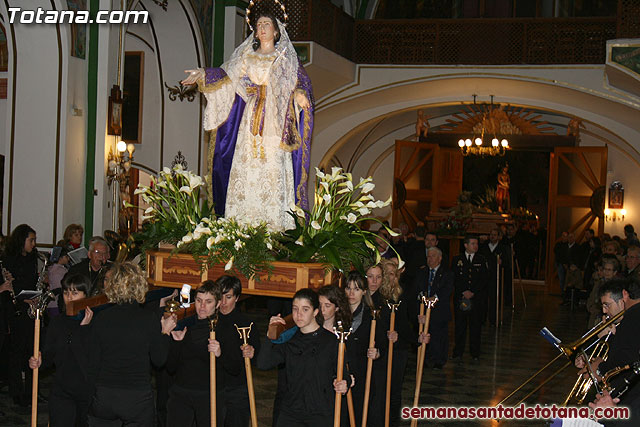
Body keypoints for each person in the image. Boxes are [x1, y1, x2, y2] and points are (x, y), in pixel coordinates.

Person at [182, 12, 313, 231]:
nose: (262, 28)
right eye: (259, 24)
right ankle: (239, 228)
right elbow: (226, 76)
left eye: (267, 24)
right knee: (245, 165)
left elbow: (300, 83)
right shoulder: (246, 57)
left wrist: (299, 95)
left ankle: (274, 228)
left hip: (275, 122)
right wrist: (203, 73)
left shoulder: (285, 59)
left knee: (273, 167)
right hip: (250, 118)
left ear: (276, 31)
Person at [87, 262, 177, 426]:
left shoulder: (101, 318)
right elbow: (159, 360)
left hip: (104, 395)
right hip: (136, 397)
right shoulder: (148, 319)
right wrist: (165, 332)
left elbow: (92, 361)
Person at [258, 288, 349, 426]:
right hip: (291, 412)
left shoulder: (331, 341)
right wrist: (269, 335)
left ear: (315, 312)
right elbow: (263, 364)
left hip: (320, 413)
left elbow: (343, 373)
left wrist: (343, 384)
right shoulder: (289, 340)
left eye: (305, 309)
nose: (299, 314)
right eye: (295, 309)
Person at [29, 274, 94, 426]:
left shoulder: (95, 323)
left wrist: (84, 328)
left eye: (75, 293)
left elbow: (89, 357)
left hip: (86, 391)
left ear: (86, 295)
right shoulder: (58, 322)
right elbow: (50, 353)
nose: (69, 297)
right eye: (66, 292)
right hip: (62, 389)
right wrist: (39, 361)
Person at [166, 280, 222, 427]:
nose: (202, 306)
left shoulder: (221, 329)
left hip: (208, 395)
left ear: (217, 304)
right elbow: (170, 367)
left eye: (208, 301)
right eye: (198, 300)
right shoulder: (185, 325)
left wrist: (219, 355)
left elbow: (232, 369)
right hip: (180, 393)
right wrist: (176, 343)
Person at [214, 275, 260, 427]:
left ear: (237, 298)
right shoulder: (211, 320)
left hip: (237, 388)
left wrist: (251, 352)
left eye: (228, 297)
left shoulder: (246, 324)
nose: (223, 302)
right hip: (213, 385)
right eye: (220, 297)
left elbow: (256, 353)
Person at [2, 224, 40, 407]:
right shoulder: (8, 259)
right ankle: (17, 391)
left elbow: (32, 281)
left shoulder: (33, 258)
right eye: (30, 240)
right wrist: (22, 296)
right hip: (16, 309)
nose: (34, 244)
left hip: (30, 308)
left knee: (31, 350)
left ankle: (32, 391)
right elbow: (10, 285)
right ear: (21, 240)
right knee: (17, 352)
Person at [344, 271, 385, 427]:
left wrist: (377, 352)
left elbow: (382, 344)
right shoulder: (338, 314)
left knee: (360, 414)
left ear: (364, 292)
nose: (351, 293)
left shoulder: (371, 316)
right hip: (342, 370)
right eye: (348, 288)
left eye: (356, 289)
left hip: (362, 373)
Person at [414, 247, 453, 369]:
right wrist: (422, 296)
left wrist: (435, 298)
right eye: (428, 257)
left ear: (440, 258)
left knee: (439, 336)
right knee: (424, 333)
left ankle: (439, 360)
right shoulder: (422, 271)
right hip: (424, 309)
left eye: (433, 256)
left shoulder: (447, 273)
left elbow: (447, 289)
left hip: (439, 310)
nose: (430, 259)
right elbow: (417, 287)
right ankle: (424, 358)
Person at [452, 234, 489, 361]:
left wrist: (473, 291)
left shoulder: (481, 259)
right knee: (460, 326)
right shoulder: (457, 259)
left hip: (476, 298)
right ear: (466, 245)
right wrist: (463, 291)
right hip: (462, 297)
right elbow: (455, 278)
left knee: (475, 326)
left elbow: (484, 279)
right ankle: (458, 352)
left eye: (476, 244)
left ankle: (475, 353)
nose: (475, 246)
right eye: (472, 244)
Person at [478, 228, 511, 324]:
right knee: (483, 298)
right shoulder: (484, 247)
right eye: (491, 234)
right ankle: (482, 319)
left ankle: (493, 319)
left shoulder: (502, 248)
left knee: (494, 299)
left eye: (495, 235)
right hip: (484, 276)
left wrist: (501, 262)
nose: (492, 236)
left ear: (499, 237)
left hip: (495, 277)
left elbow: (507, 263)